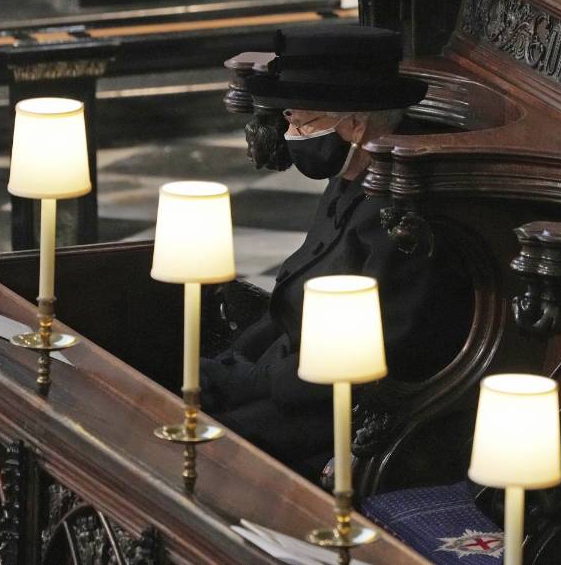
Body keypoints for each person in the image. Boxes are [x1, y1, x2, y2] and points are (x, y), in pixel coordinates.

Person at [201, 24, 471, 476]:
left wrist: (253, 381)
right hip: (293, 378)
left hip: (345, 407)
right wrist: (233, 363)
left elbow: (383, 351)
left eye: (302, 121)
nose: (291, 133)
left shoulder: (404, 215)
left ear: (354, 125)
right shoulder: (351, 175)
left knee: (208, 446)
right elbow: (290, 303)